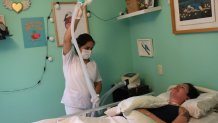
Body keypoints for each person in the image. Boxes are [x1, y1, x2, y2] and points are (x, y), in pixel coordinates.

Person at [61, 5, 102, 115]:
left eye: (91, 48)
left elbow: (98, 83)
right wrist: (77, 17)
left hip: (90, 105)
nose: (89, 51)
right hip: (73, 105)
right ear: (78, 47)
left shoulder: (93, 64)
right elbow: (66, 40)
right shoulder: (70, 59)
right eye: (87, 48)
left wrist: (96, 95)